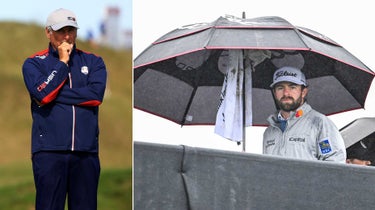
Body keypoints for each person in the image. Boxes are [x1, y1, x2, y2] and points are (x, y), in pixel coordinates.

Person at [22, 8, 107, 210]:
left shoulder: (94, 62)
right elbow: (42, 95)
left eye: (71, 30)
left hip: (86, 154)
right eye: (61, 31)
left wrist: (54, 96)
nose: (67, 36)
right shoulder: (34, 63)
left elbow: (95, 96)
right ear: (48, 32)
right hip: (49, 153)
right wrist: (62, 63)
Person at [262, 66, 346, 162]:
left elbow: (335, 164)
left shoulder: (319, 123)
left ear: (303, 92)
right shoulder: (269, 132)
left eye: (292, 87)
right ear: (274, 92)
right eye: (280, 88)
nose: (286, 93)